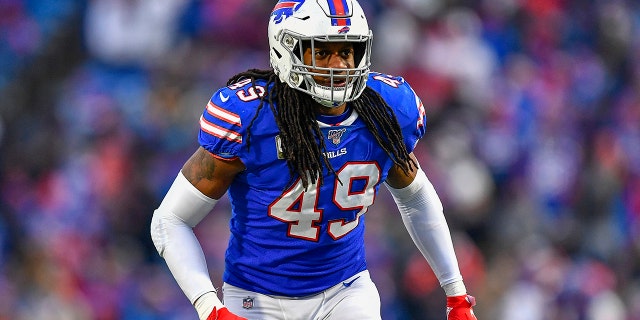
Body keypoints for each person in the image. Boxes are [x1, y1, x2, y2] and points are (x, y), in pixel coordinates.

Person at [150, 0, 478, 319]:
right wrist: (209, 307)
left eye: (346, 52)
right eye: (322, 52)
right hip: (255, 299)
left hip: (344, 292)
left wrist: (456, 292)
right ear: (286, 50)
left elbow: (416, 198)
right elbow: (170, 220)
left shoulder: (386, 113)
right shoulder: (252, 118)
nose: (339, 66)